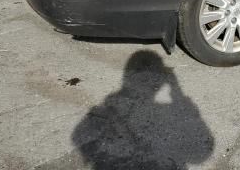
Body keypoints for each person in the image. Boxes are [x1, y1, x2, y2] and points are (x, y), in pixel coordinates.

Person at [72, 50, 214, 169]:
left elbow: (79, 136)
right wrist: (177, 94)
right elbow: (201, 155)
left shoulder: (111, 107)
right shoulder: (114, 108)